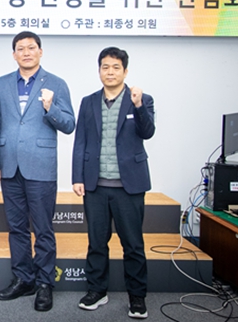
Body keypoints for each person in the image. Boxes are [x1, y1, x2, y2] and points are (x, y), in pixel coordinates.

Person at [0, 31, 75, 312]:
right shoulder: (1, 84)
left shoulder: (56, 83)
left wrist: (51, 108)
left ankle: (44, 283)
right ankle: (23, 279)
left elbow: (69, 124)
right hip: (9, 166)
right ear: (13, 54)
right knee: (16, 228)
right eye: (20, 48)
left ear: (40, 51)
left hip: (41, 166)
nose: (26, 52)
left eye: (31, 48)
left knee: (43, 229)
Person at [72, 47, 155, 319]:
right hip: (95, 186)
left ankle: (137, 297)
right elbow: (80, 141)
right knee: (97, 242)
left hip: (129, 186)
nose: (110, 72)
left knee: (133, 245)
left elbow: (147, 132)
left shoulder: (141, 100)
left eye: (116, 67)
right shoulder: (88, 102)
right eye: (105, 67)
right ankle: (97, 291)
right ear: (99, 71)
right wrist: (77, 177)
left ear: (125, 71)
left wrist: (139, 106)